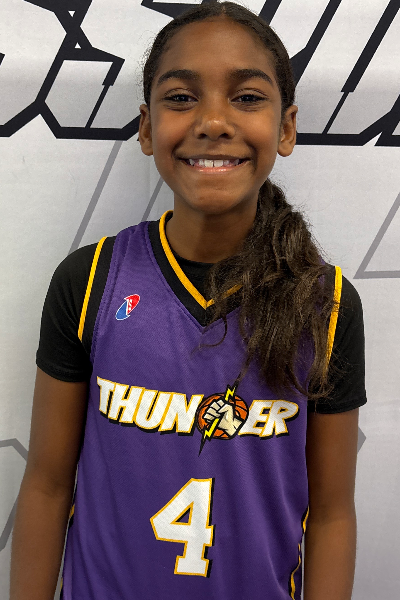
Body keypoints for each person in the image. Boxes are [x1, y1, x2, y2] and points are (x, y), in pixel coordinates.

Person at [10, 2, 367, 599]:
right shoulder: (90, 279)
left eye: (247, 97)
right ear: (147, 128)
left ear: (285, 128)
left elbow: (331, 514)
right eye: (181, 97)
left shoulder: (325, 305)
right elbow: (47, 485)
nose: (213, 121)